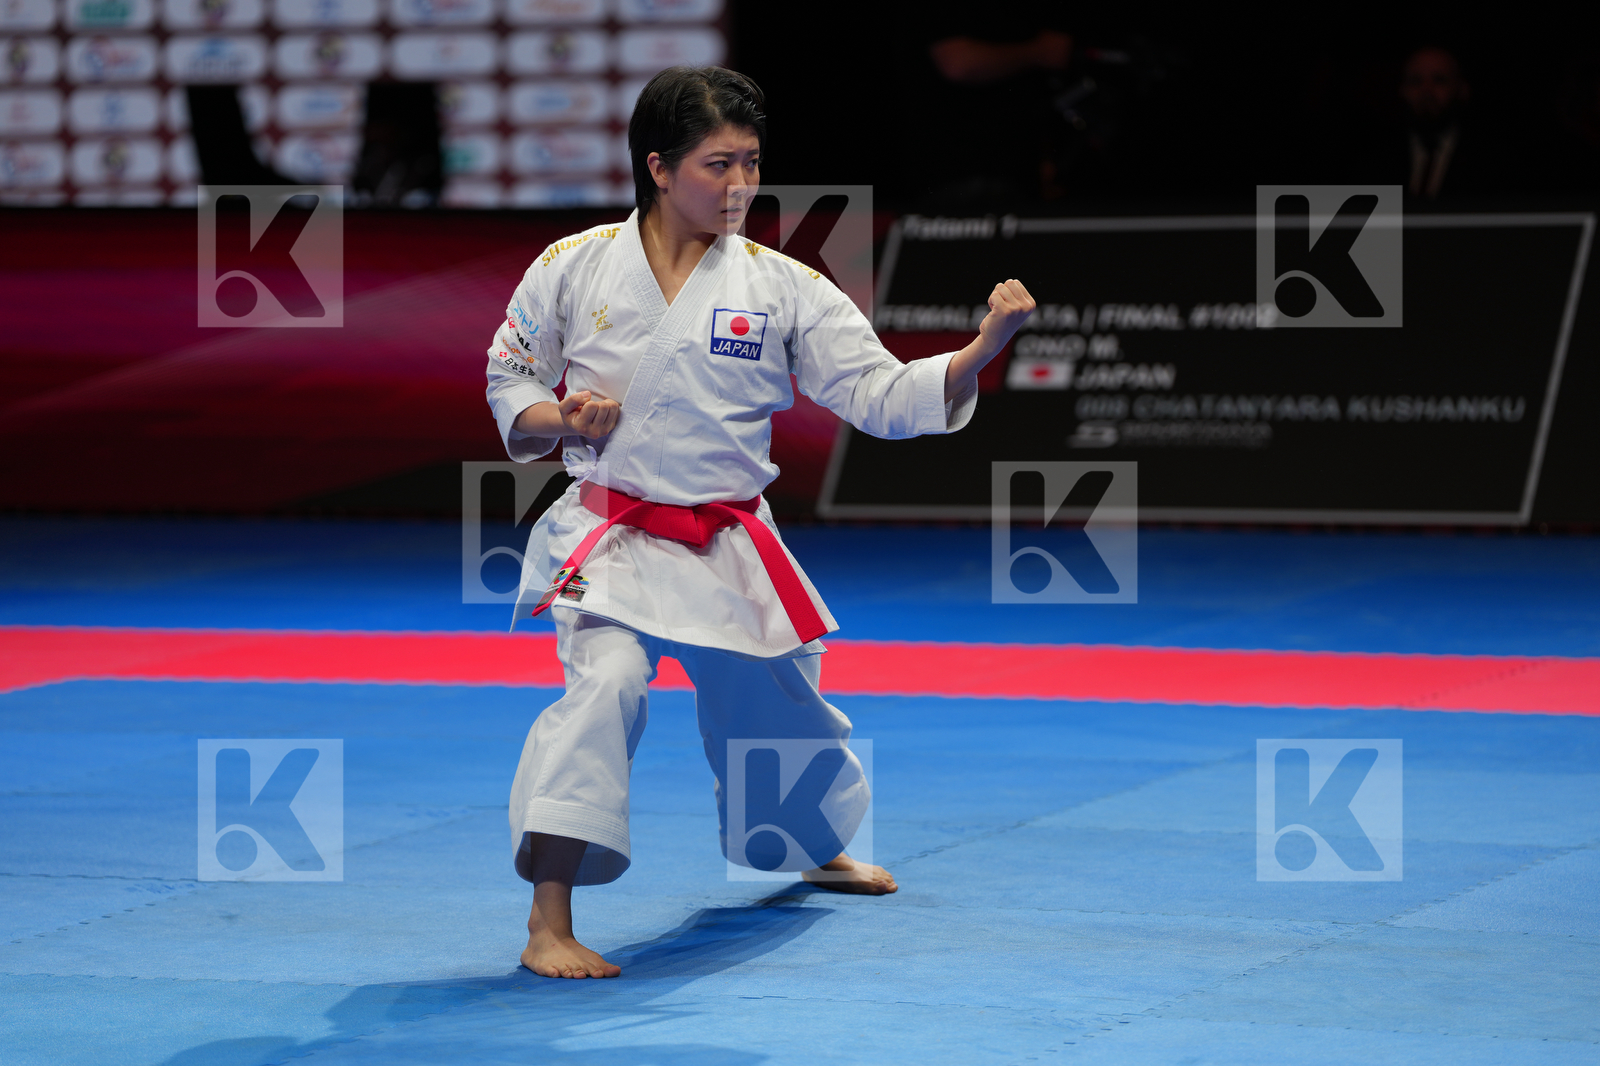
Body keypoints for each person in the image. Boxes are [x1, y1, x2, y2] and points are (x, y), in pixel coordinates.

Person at [484, 66, 1035, 980]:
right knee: (605, 690)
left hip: (728, 541)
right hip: (612, 534)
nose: (741, 185)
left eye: (751, 164)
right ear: (659, 168)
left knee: (778, 710)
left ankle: (812, 849)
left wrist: (981, 351)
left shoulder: (782, 285)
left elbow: (875, 390)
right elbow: (510, 376)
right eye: (718, 165)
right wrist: (561, 419)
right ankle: (550, 920)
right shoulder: (573, 264)